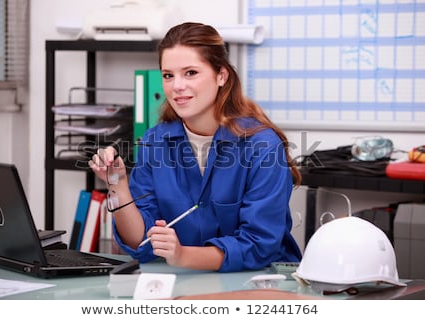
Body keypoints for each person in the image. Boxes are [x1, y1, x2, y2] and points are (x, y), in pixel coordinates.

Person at [89, 22, 302, 272]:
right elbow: (141, 241)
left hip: (260, 281)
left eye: (190, 72)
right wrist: (117, 185)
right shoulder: (154, 141)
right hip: (186, 279)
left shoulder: (262, 146)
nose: (177, 86)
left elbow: (258, 244)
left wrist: (183, 255)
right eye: (168, 75)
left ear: (221, 75)